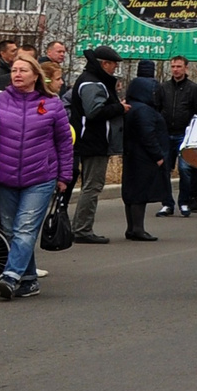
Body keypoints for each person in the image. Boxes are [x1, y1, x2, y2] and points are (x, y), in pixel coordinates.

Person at [0, 52, 72, 300]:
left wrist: (64, 174)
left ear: (35, 76)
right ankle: (29, 280)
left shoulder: (52, 104)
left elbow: (64, 142)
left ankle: (10, 277)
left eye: (23, 70)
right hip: (5, 175)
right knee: (11, 230)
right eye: (14, 70)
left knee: (25, 229)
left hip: (40, 177)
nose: (17, 74)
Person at [63, 45, 127, 245]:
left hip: (89, 139)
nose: (115, 69)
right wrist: (119, 108)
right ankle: (82, 229)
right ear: (104, 64)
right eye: (113, 65)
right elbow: (94, 112)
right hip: (93, 141)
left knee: (89, 186)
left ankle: (79, 227)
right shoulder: (93, 83)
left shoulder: (91, 80)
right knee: (93, 186)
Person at [117, 71, 174, 242]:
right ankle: (138, 229)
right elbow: (147, 134)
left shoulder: (132, 107)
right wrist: (158, 155)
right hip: (144, 157)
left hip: (132, 154)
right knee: (139, 193)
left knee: (131, 192)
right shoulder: (145, 110)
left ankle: (132, 228)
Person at [158, 56, 197, 217]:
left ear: (186, 68)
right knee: (164, 170)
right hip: (166, 134)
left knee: (185, 170)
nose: (176, 69)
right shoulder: (163, 88)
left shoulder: (193, 89)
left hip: (185, 135)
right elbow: (157, 109)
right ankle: (167, 204)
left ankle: (184, 202)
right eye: (173, 66)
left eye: (179, 66)